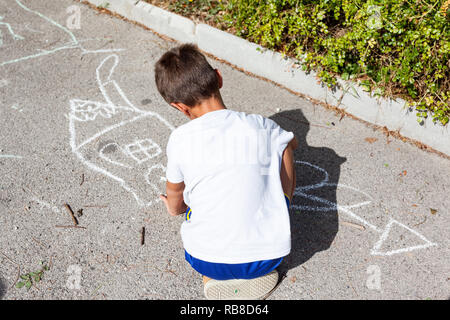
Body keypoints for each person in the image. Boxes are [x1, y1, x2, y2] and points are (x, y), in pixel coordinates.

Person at [154, 43, 297, 299]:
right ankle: (280, 212)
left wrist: (174, 209)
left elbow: (175, 196)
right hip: (270, 255)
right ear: (219, 78)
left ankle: (213, 278)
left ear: (179, 107)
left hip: (204, 258)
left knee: (195, 214)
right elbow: (292, 143)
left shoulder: (180, 139)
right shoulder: (262, 125)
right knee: (283, 145)